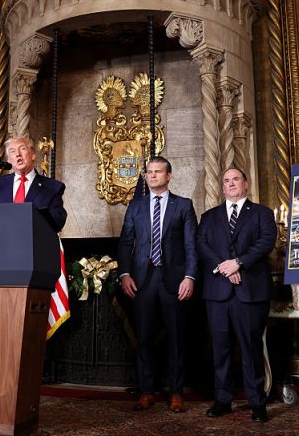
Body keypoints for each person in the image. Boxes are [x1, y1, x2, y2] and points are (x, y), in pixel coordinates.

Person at [117, 156, 197, 413]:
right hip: (142, 280)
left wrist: (190, 277)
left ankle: (176, 393)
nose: (152, 175)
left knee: (176, 338)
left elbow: (190, 245)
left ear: (169, 176)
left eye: (157, 171)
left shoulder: (183, 205)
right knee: (144, 338)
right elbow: (125, 242)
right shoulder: (136, 206)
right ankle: (146, 391)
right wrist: (125, 273)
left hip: (174, 280)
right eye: (149, 172)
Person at [197, 168, 277, 423]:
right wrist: (225, 267)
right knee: (220, 349)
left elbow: (265, 242)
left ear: (246, 184)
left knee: (251, 348)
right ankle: (223, 400)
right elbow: (202, 245)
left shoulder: (263, 213)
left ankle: (257, 403)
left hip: (250, 292)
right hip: (217, 292)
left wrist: (238, 263)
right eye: (226, 181)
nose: (231, 184)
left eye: (235, 179)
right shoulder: (209, 217)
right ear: (222, 188)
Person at [0, 136, 67, 232]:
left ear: (33, 155)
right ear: (8, 160)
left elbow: (57, 222)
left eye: (22, 149)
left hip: (35, 240)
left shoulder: (53, 187)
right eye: (12, 151)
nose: (18, 154)